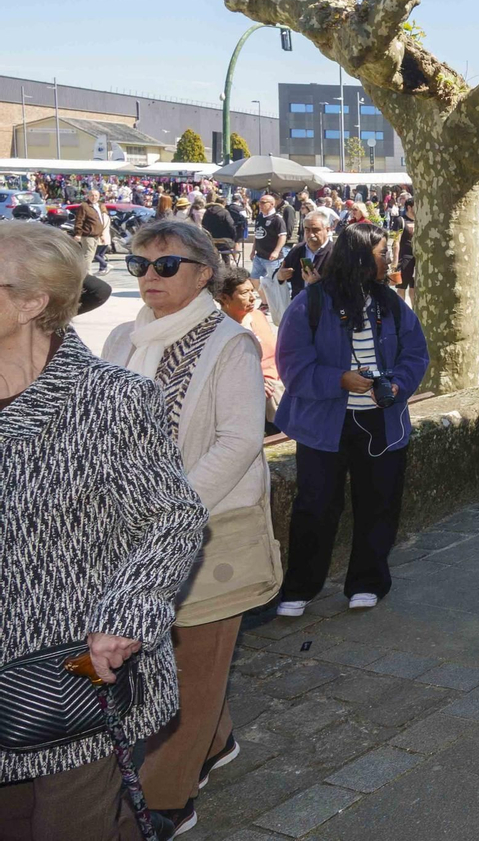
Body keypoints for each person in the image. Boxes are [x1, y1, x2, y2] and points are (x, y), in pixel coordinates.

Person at [0, 223, 206, 841]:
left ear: (31, 303)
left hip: (76, 674)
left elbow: (174, 517)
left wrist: (129, 609)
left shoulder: (111, 400)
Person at [102, 222, 280, 834]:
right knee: (169, 655)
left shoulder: (230, 343)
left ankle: (164, 801)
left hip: (212, 527)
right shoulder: (124, 338)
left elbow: (236, 442)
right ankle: (218, 739)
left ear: (204, 273)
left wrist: (171, 509)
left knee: (195, 665)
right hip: (133, 526)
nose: (149, 277)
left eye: (165, 266)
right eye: (139, 267)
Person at [273, 224, 430, 615]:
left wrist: (397, 386)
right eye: (382, 253)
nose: (389, 260)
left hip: (382, 423)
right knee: (316, 507)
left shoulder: (391, 303)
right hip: (325, 425)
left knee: (379, 504)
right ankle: (299, 589)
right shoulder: (310, 303)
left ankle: (367, 581)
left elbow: (415, 354)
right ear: (359, 256)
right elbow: (291, 366)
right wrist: (338, 379)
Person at [216, 268, 283, 431]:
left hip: (280, 390)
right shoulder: (217, 330)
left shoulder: (258, 316)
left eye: (252, 291)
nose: (253, 298)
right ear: (224, 298)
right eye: (245, 293)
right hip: (248, 402)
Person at [276, 210, 333, 301]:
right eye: (307, 230)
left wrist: (317, 283)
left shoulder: (336, 253)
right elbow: (279, 272)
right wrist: (280, 276)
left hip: (325, 307)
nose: (311, 234)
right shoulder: (297, 250)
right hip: (300, 306)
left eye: (316, 230)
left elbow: (343, 285)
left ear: (327, 230)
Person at [249, 193, 287, 297]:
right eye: (259, 202)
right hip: (259, 255)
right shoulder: (260, 217)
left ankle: (276, 301)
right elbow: (257, 236)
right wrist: (253, 251)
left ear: (272, 204)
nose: (260, 205)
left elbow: (282, 236)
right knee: (254, 278)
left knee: (274, 281)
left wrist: (276, 251)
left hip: (272, 258)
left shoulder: (277, 219)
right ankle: (265, 301)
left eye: (263, 203)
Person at [71, 188, 107, 270]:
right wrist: (78, 233)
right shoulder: (84, 206)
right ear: (88, 196)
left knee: (90, 256)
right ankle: (86, 275)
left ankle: (85, 274)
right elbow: (79, 220)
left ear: (99, 197)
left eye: (96, 195)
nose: (94, 197)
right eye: (92, 195)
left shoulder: (98, 206)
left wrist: (101, 235)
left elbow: (99, 221)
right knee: (88, 255)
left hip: (96, 235)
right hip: (88, 235)